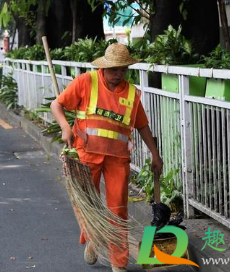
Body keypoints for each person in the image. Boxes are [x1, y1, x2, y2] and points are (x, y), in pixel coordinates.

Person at [50, 43, 163, 272]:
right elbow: (57, 105)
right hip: (86, 155)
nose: (118, 75)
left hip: (118, 160)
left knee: (117, 210)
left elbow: (142, 127)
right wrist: (65, 128)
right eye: (114, 70)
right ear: (104, 68)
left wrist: (155, 154)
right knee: (86, 205)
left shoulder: (131, 93)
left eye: (123, 70)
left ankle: (118, 264)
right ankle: (94, 235)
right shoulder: (86, 82)